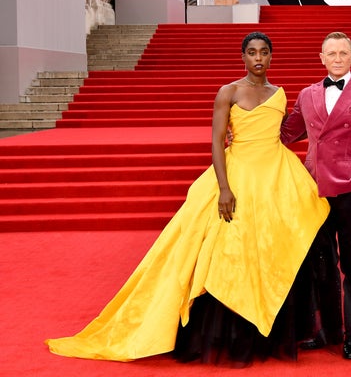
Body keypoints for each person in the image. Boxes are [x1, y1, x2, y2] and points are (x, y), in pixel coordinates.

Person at [45, 32, 330, 365]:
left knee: (271, 250)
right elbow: (216, 142)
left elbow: (285, 132)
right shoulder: (229, 92)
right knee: (226, 252)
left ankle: (268, 331)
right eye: (251, 52)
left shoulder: (279, 94)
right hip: (237, 176)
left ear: (271, 57)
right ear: (243, 57)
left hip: (276, 178)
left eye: (264, 52)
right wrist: (224, 188)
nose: (258, 58)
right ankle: (225, 333)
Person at [280, 31, 351, 360]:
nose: (338, 58)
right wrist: (244, 132)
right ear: (321, 58)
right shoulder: (307, 94)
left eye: (343, 53)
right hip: (314, 191)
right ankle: (328, 330)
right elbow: (286, 133)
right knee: (321, 263)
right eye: (332, 53)